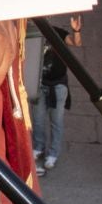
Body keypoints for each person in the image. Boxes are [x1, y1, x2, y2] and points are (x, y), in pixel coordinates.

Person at [34, 40, 70, 177]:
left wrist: (76, 31)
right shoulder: (33, 32)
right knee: (37, 118)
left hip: (58, 85)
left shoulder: (58, 33)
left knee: (56, 121)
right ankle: (38, 147)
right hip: (39, 83)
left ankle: (53, 153)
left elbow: (75, 42)